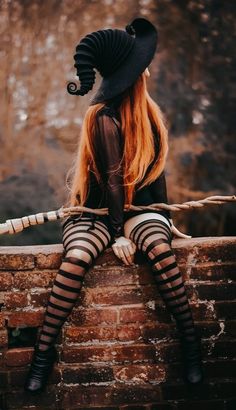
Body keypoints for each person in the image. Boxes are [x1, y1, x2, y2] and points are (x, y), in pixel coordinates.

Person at [24, 17, 203, 394]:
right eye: (143, 63)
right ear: (133, 73)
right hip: (95, 210)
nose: (149, 68)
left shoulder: (149, 114)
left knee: (159, 249)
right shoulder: (102, 117)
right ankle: (42, 357)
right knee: (75, 259)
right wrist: (120, 232)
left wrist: (163, 217)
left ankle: (191, 348)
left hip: (139, 209)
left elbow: (155, 176)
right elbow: (112, 180)